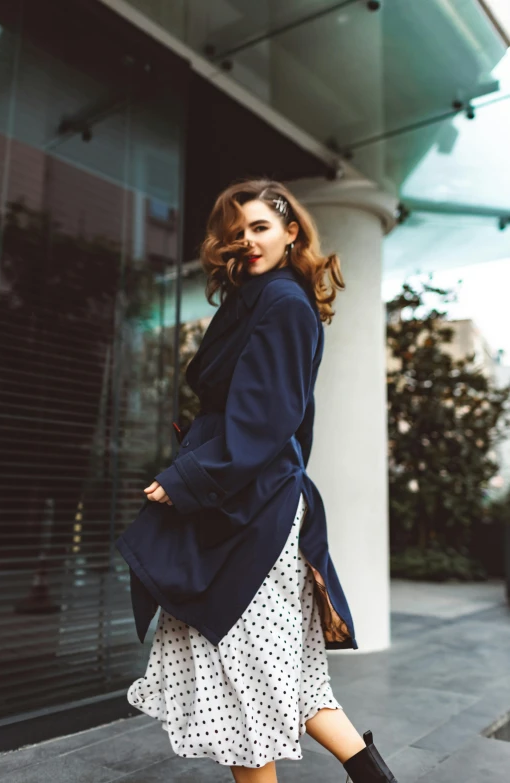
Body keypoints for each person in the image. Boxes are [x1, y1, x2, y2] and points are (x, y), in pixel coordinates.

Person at [115, 179, 399, 783]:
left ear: (291, 231)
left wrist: (190, 477)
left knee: (241, 679)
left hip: (252, 509)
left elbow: (267, 419)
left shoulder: (283, 303)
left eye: (260, 228)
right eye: (237, 232)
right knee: (285, 677)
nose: (246, 241)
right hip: (254, 500)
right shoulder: (259, 299)